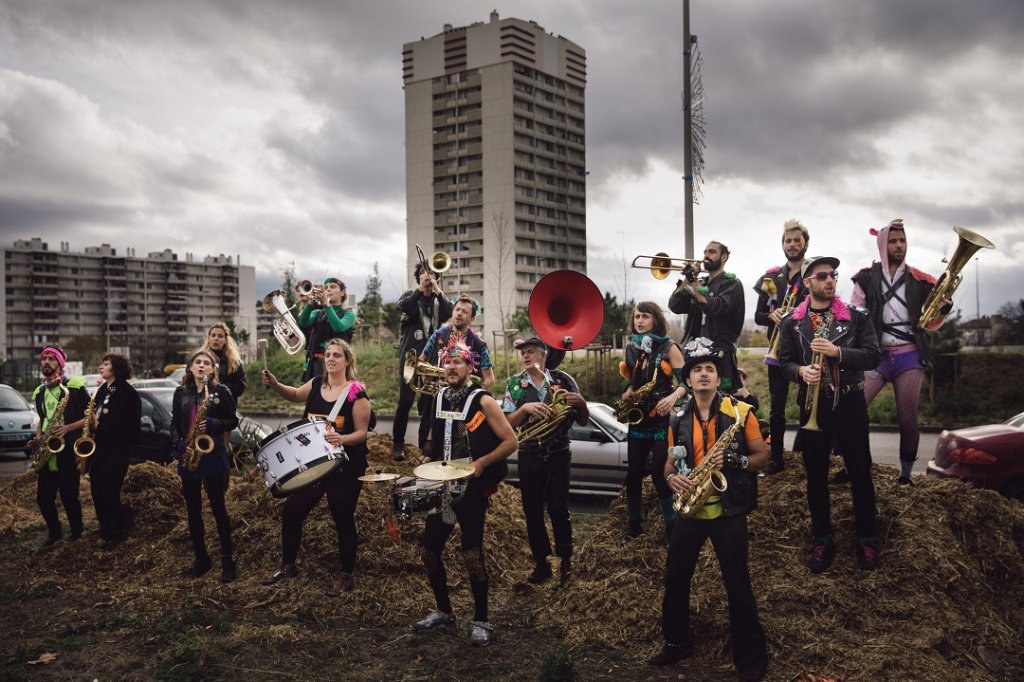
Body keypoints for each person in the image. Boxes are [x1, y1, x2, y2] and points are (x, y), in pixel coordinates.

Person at [649, 338, 769, 681]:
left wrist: (735, 458)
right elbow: (669, 468)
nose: (703, 374)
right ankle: (676, 643)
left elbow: (765, 457)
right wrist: (671, 480)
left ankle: (751, 660)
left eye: (710, 370)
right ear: (687, 380)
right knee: (675, 579)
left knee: (738, 585)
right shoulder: (677, 419)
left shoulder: (741, 412)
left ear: (719, 379)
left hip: (728, 512)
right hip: (691, 511)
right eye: (697, 370)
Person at [778, 256, 882, 573]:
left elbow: (873, 356)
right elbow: (784, 363)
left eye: (833, 275)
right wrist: (800, 373)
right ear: (807, 282)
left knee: (861, 473)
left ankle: (866, 539)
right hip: (813, 406)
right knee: (816, 479)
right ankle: (822, 538)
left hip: (849, 403)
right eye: (822, 275)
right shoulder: (791, 322)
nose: (830, 280)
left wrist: (838, 352)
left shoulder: (857, 317)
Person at [412, 342, 517, 647]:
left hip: (471, 488)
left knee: (472, 554)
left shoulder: (483, 401)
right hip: (442, 484)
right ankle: (444, 611)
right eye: (447, 361)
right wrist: (427, 454)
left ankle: (482, 619)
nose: (451, 367)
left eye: (458, 362)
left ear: (471, 368)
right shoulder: (440, 395)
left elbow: (511, 442)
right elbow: (433, 432)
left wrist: (482, 463)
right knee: (429, 551)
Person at [261, 339, 370, 596]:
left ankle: (346, 575)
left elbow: (363, 433)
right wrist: (276, 385)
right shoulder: (315, 384)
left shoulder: (356, 394)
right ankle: (288, 566)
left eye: (337, 355)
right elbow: (295, 394)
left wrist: (342, 439)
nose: (330, 359)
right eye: (328, 355)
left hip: (345, 467)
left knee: (342, 519)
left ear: (347, 361)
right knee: (292, 512)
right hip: (312, 464)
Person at [851, 219, 952, 485]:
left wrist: (942, 309)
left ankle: (906, 474)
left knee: (907, 416)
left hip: (909, 354)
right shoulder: (864, 277)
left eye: (902, 240)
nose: (899, 245)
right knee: (855, 408)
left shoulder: (920, 280)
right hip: (876, 354)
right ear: (883, 244)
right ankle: (853, 463)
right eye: (893, 241)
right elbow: (855, 315)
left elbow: (931, 322)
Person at [502, 336, 588, 584]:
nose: (525, 356)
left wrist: (581, 403)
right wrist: (524, 410)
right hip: (529, 453)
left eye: (531, 352)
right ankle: (542, 564)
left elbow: (581, 419)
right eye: (523, 353)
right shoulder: (514, 385)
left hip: (559, 452)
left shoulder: (564, 380)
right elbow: (506, 424)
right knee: (532, 511)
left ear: (544, 355)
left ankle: (565, 563)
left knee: (559, 509)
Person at [618, 302, 685, 545]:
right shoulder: (631, 348)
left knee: (659, 474)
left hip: (661, 420)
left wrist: (672, 397)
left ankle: (671, 526)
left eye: (645, 316)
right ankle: (634, 525)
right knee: (633, 475)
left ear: (655, 320)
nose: (639, 321)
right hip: (638, 420)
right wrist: (628, 389)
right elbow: (632, 381)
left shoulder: (670, 347)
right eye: (636, 316)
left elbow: (685, 382)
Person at [170, 350, 239, 581]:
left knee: (219, 509)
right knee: (193, 511)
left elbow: (233, 420)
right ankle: (201, 559)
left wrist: (213, 423)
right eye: (197, 362)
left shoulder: (221, 392)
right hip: (189, 455)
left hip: (213, 455)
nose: (201, 366)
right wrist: (178, 445)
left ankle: (228, 561)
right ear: (190, 367)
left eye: (207, 363)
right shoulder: (181, 393)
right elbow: (174, 423)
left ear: (213, 368)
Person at [753, 219, 810, 474]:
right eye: (788, 241)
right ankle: (776, 458)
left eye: (797, 240)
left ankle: (809, 455)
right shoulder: (771, 278)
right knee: (777, 407)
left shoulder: (814, 272)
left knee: (806, 403)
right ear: (783, 245)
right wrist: (772, 315)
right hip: (778, 348)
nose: (793, 244)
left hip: (806, 348)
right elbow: (758, 316)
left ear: (805, 243)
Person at [668, 241, 747, 396]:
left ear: (723, 257)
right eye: (705, 252)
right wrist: (687, 279)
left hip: (720, 352)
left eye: (711, 252)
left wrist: (694, 281)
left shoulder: (732, 284)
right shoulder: (699, 283)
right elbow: (674, 305)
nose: (706, 256)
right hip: (695, 351)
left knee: (721, 402)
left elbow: (715, 308)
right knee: (695, 402)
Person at [29, 345, 89, 546]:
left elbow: (90, 416)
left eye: (51, 359)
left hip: (67, 447)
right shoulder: (39, 391)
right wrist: (38, 437)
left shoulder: (74, 386)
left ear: (60, 364)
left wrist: (68, 428)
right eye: (44, 358)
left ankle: (77, 533)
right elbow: (42, 419)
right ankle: (55, 534)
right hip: (48, 449)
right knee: (43, 498)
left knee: (69, 495)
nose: (46, 362)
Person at [392, 263, 453, 461]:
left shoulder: (438, 300)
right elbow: (404, 307)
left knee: (429, 405)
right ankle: (398, 444)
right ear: (418, 278)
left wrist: (436, 288)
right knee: (405, 401)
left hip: (433, 359)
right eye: (422, 275)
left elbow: (449, 312)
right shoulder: (410, 296)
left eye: (431, 275)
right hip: (410, 357)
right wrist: (421, 288)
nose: (427, 278)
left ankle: (422, 447)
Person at [87, 353, 141, 549]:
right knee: (96, 493)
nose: (101, 367)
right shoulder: (102, 391)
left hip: (116, 453)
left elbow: (132, 429)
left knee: (110, 493)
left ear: (116, 368)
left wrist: (101, 425)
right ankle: (105, 530)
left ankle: (118, 530)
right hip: (99, 452)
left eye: (106, 364)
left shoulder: (127, 393)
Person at [419, 294, 495, 389]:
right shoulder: (437, 336)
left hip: (465, 401)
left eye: (464, 312)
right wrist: (426, 379)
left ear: (472, 319)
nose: (459, 313)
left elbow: (489, 379)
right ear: (453, 312)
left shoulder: (479, 345)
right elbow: (421, 360)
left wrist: (472, 395)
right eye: (457, 309)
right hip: (434, 398)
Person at [298, 278, 356, 382]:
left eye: (333, 286)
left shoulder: (349, 314)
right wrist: (310, 303)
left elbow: (338, 327)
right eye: (325, 288)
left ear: (342, 292)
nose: (328, 290)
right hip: (315, 363)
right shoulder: (317, 312)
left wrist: (326, 304)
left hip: (337, 363)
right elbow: (303, 322)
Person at [200, 322, 246, 400]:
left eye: (220, 336)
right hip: (203, 405)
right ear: (209, 338)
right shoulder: (199, 360)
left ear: (225, 340)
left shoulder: (234, 362)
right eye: (213, 335)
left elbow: (240, 387)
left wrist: (219, 387)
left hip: (226, 407)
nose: (216, 338)